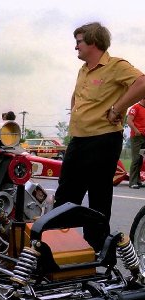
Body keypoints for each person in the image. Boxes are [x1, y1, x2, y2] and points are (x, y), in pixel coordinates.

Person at [53, 21, 145, 251]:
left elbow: (142, 82)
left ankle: (97, 249)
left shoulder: (116, 66)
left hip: (103, 140)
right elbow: (76, 99)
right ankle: (58, 247)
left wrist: (117, 108)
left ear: (93, 42)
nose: (76, 47)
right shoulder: (82, 70)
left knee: (98, 197)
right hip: (79, 140)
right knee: (65, 195)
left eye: (79, 42)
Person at [128, 98, 145, 188]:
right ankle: (132, 182)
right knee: (136, 159)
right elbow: (129, 121)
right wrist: (136, 130)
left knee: (141, 159)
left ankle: (138, 181)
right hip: (137, 137)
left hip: (144, 138)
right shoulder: (135, 107)